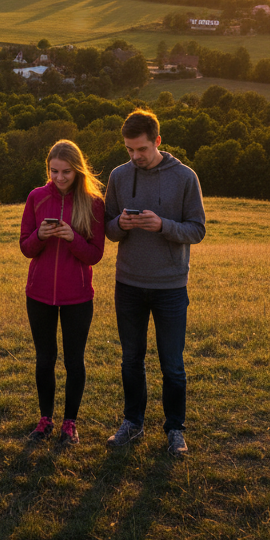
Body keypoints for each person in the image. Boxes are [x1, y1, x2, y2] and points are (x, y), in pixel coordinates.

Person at [104, 108, 206, 456]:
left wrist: (162, 225)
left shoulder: (185, 177)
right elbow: (109, 229)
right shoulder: (119, 176)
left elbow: (197, 230)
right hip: (128, 283)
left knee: (172, 363)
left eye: (141, 150)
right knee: (131, 359)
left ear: (157, 141)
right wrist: (122, 224)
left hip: (170, 287)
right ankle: (133, 422)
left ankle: (175, 429)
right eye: (129, 150)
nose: (135, 157)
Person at [19, 140, 106, 445]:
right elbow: (25, 247)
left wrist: (72, 238)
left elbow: (95, 255)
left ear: (77, 169)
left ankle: (70, 422)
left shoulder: (94, 203)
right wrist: (40, 235)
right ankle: (45, 419)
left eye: (66, 171)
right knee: (44, 359)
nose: (59, 177)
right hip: (39, 294)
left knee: (74, 361)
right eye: (54, 171)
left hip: (77, 297)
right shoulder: (37, 197)